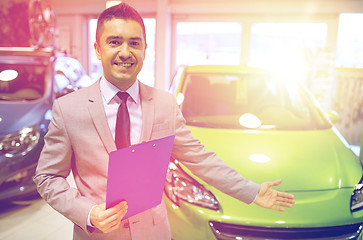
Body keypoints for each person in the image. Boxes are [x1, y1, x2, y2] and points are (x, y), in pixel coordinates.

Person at [33, 3, 295, 240]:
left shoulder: (165, 105)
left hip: (154, 233)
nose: (125, 52)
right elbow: (47, 177)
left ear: (145, 50)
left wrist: (251, 191)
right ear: (98, 49)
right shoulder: (68, 109)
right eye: (114, 42)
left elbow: (200, 158)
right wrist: (88, 213)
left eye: (134, 43)